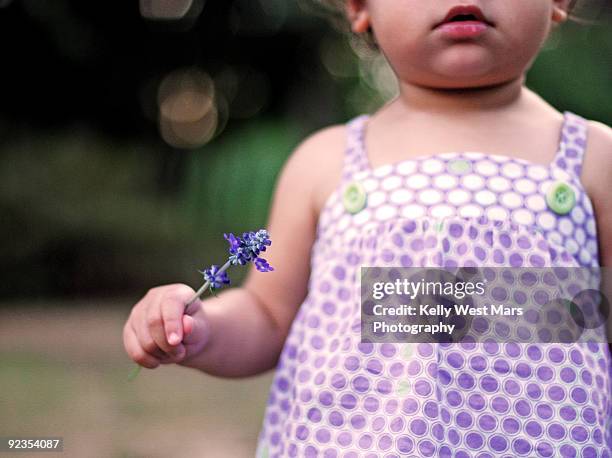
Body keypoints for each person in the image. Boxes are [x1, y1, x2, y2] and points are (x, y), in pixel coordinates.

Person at [123, 0, 612, 456]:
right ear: (360, 7)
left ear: (559, 2)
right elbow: (269, 315)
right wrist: (202, 328)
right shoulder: (325, 163)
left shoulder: (593, 158)